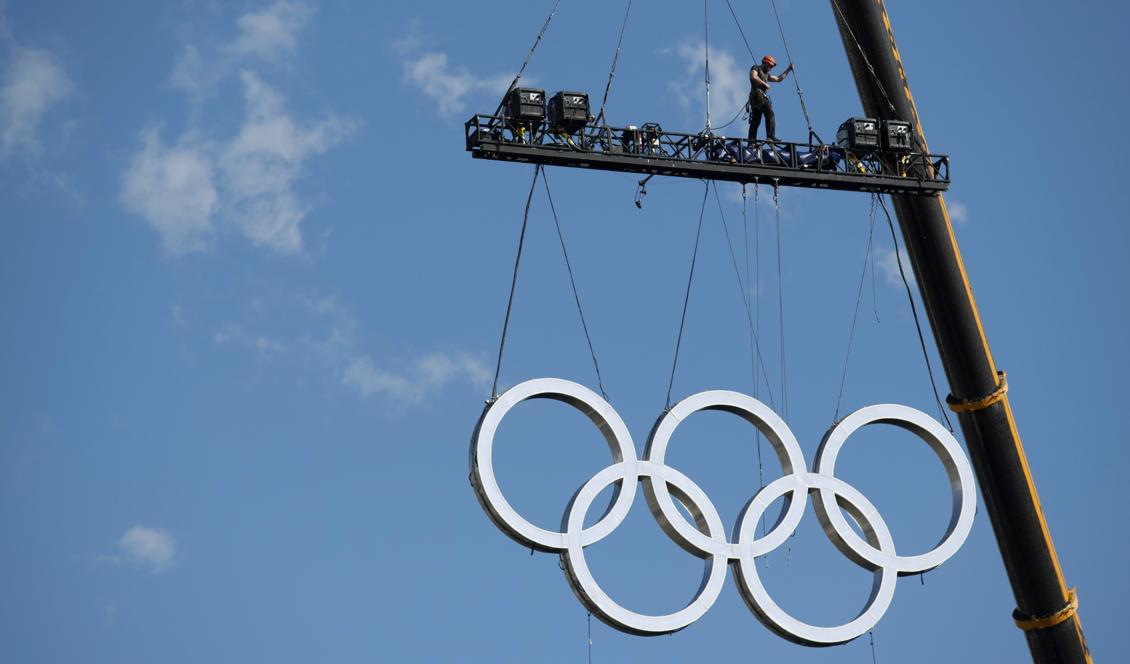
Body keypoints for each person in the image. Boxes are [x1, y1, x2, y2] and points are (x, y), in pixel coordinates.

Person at [748, 55, 793, 142]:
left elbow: (778, 79)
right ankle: (771, 136)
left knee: (756, 120)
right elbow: (753, 77)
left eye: (771, 66)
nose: (770, 68)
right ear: (765, 63)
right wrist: (764, 84)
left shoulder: (767, 75)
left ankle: (751, 142)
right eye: (770, 65)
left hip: (757, 99)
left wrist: (788, 69)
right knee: (770, 114)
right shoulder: (756, 68)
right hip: (757, 96)